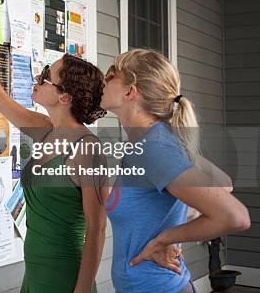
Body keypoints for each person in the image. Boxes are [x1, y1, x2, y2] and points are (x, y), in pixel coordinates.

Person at [0, 15, 108, 293]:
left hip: (64, 277)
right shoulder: (45, 128)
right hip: (33, 272)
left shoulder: (88, 150)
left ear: (65, 97)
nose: (38, 78)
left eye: (46, 76)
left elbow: (96, 230)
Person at [101, 49, 250, 293]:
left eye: (111, 75)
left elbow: (235, 216)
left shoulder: (154, 147)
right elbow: (223, 182)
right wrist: (182, 215)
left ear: (130, 91)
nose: (104, 81)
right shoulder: (153, 141)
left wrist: (166, 238)